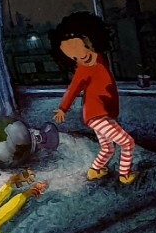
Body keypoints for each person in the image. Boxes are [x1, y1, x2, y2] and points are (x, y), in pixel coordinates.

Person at [50, 11, 137, 184]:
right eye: (74, 56)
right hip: (95, 115)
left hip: (104, 113)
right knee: (127, 143)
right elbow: (73, 89)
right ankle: (125, 175)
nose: (81, 56)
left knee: (107, 147)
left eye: (81, 48)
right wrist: (63, 108)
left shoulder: (100, 58)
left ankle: (94, 171)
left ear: (88, 41)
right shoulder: (82, 70)